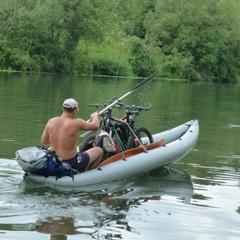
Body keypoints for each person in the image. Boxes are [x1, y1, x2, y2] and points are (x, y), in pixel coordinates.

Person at [41, 98, 103, 172]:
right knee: (99, 151)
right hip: (71, 162)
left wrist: (59, 141)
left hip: (55, 161)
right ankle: (87, 173)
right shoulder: (77, 123)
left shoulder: (51, 121)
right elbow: (96, 126)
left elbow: (44, 141)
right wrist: (95, 116)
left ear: (63, 108)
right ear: (75, 110)